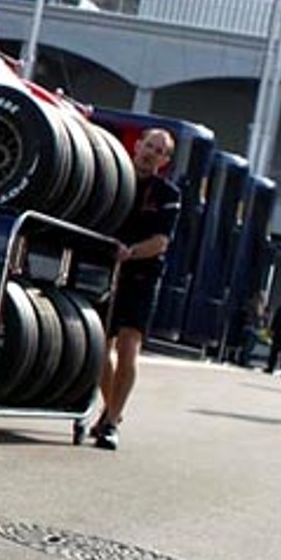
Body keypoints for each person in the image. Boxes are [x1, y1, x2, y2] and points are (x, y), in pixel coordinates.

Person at [89, 127, 180, 450]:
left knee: (128, 346)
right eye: (149, 146)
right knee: (100, 348)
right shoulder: (115, 178)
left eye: (159, 151)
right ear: (137, 145)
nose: (151, 153)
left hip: (142, 274)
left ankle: (111, 422)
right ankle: (110, 408)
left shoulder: (168, 195)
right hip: (106, 269)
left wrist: (131, 252)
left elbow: (160, 242)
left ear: (164, 161)